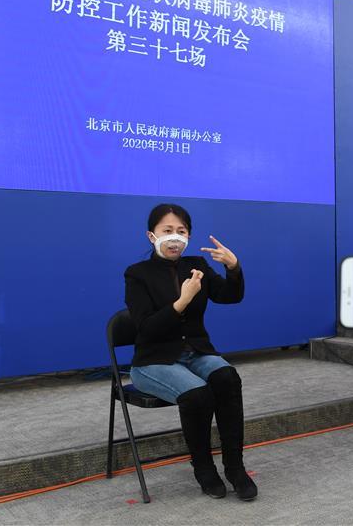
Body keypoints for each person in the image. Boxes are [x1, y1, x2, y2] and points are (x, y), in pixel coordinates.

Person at [124, 204, 257, 501]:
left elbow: (230, 296)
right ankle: (204, 469)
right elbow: (146, 328)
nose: (175, 238)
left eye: (181, 231)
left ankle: (235, 467)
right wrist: (182, 302)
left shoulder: (196, 264)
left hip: (195, 352)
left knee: (227, 378)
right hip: (153, 361)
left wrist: (233, 268)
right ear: (151, 236)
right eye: (167, 231)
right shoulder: (137, 274)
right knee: (198, 394)